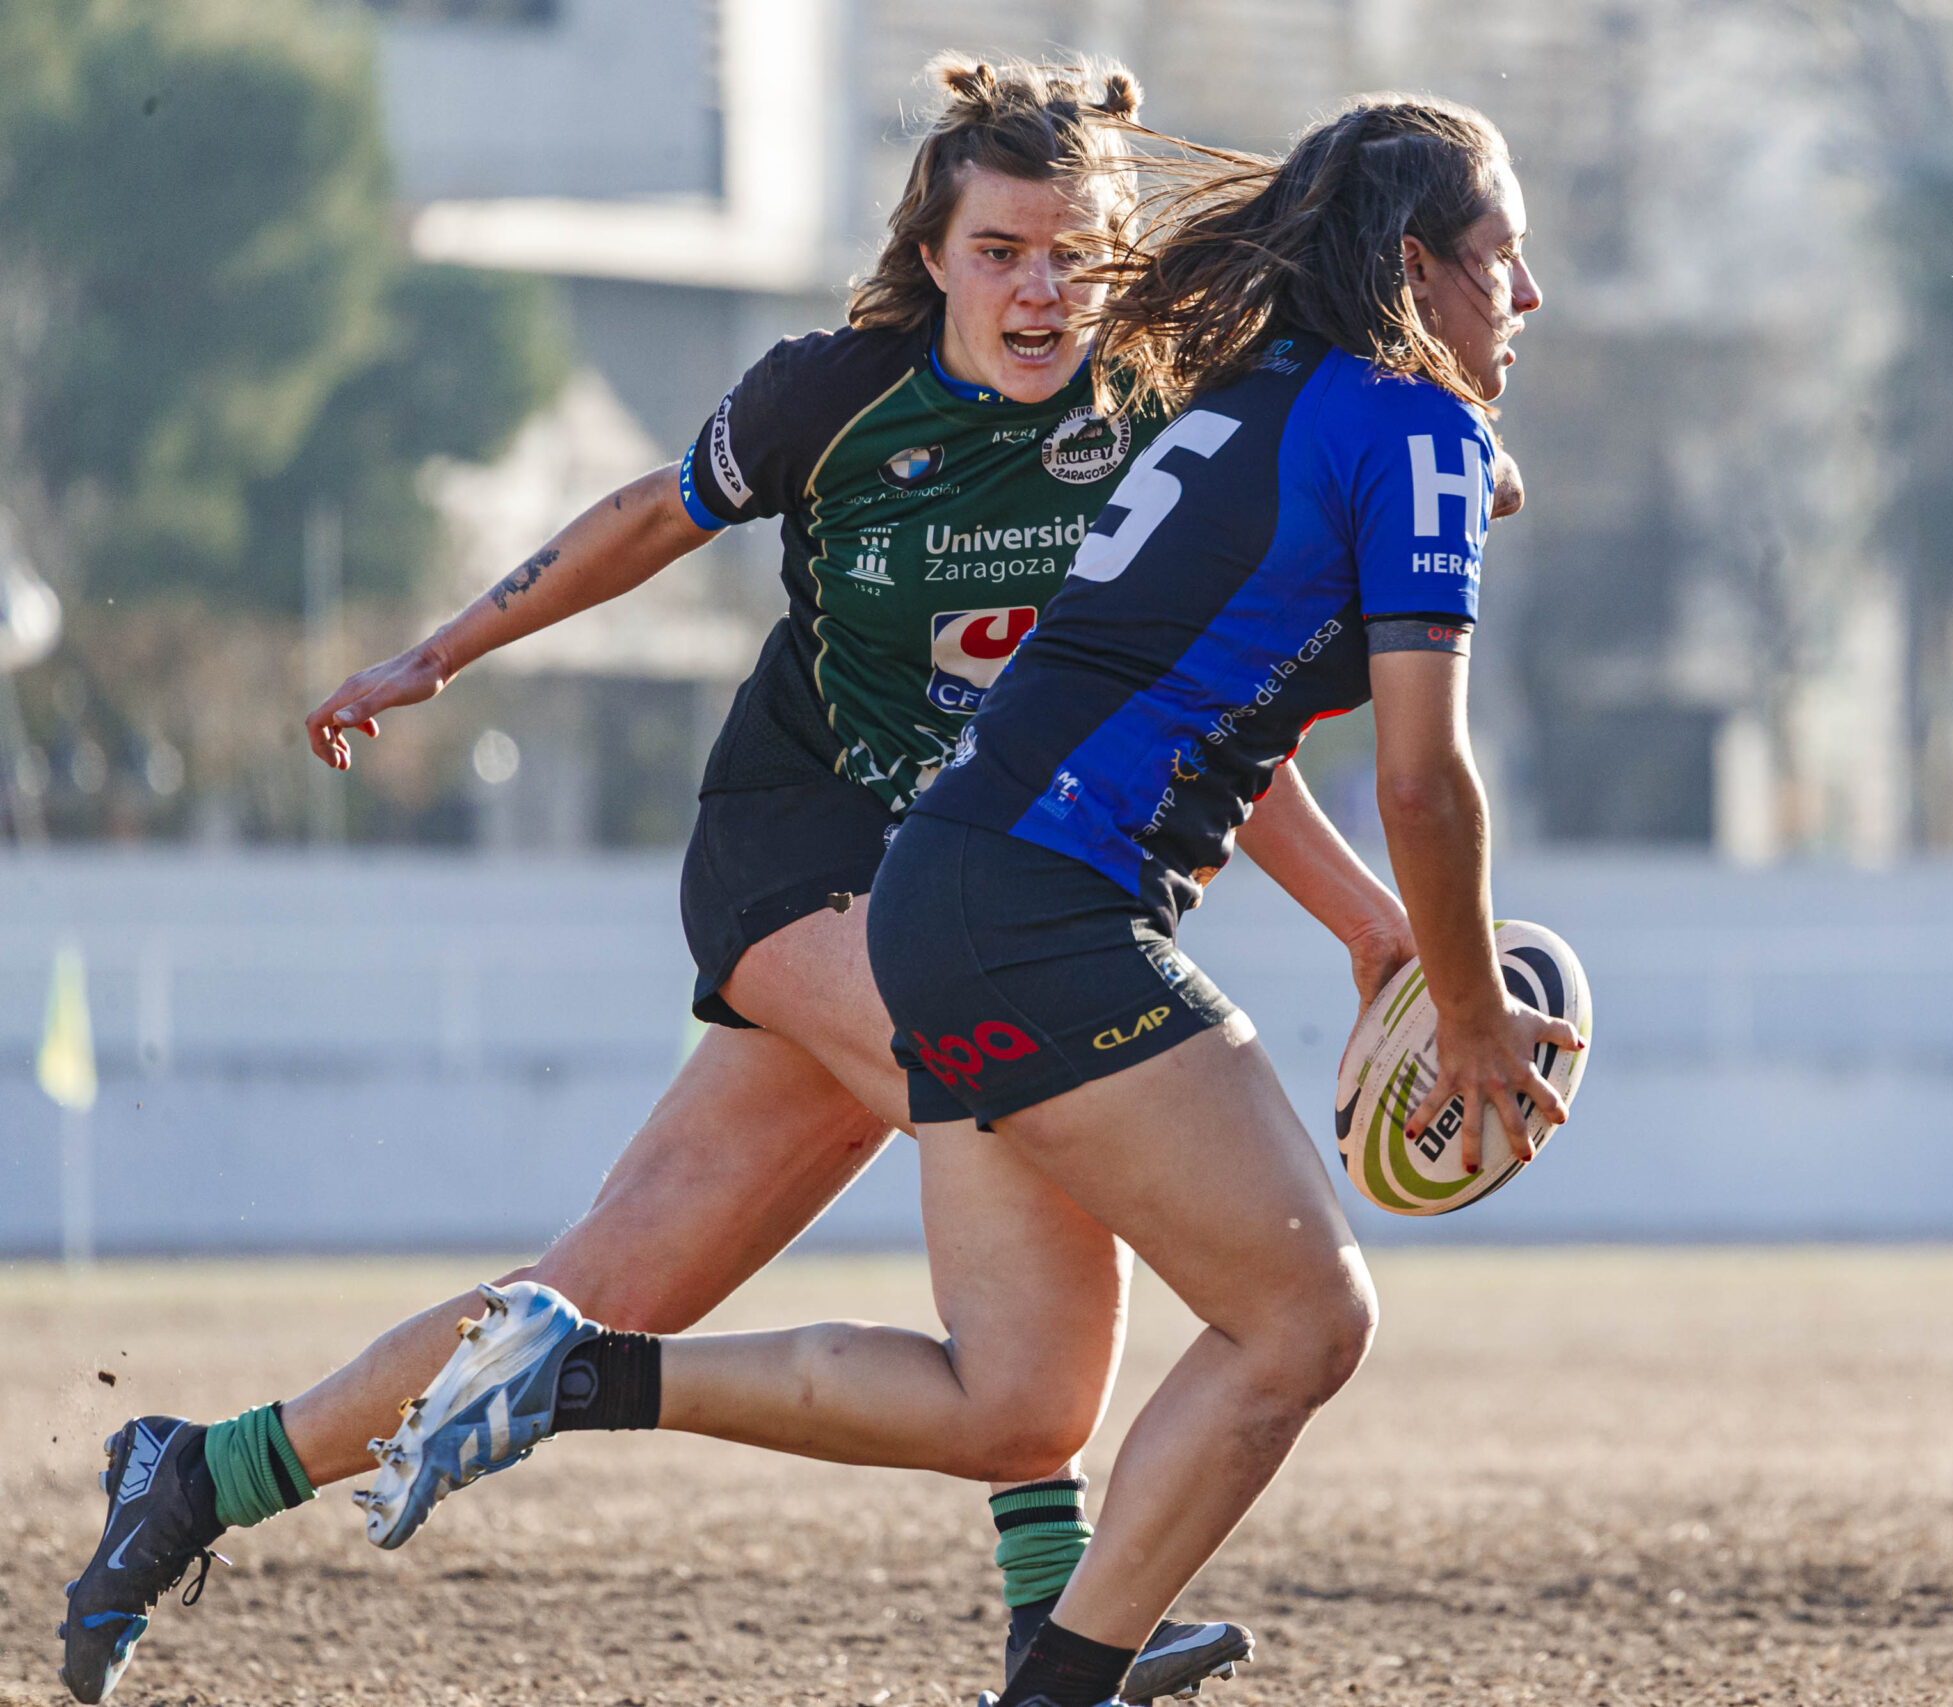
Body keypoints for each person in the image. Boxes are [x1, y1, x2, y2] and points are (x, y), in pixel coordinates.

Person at [57, 57, 1440, 1707]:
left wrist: (1376, 930)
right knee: (1039, 1106)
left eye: (1076, 251)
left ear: (1124, 258)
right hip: (803, 860)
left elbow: (1211, 732)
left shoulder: (1163, 434)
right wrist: (444, 649)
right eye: (1001, 249)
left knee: (604, 1290)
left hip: (974, 889)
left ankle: (202, 1472)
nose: (1039, 286)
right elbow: (649, 517)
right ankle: (1053, 1601)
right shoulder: (838, 395)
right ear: (936, 252)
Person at [359, 92, 1573, 1707]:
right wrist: (1468, 1015)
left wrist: (1378, 936)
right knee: (1302, 1322)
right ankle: (1054, 1684)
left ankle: (578, 1370)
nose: (1531, 298)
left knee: (1018, 1407)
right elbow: (1422, 783)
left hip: (953, 886)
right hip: (1036, 907)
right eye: (1508, 260)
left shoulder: (1246, 402)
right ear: (1421, 267)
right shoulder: (1380, 426)